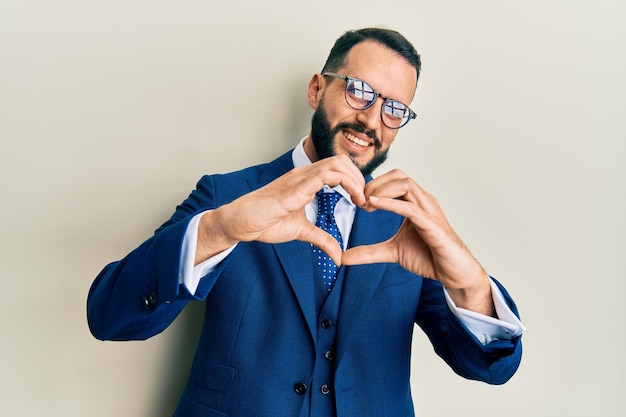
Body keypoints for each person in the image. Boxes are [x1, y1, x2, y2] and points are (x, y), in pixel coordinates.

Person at [87, 27, 525, 417]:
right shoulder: (227, 196)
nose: (372, 119)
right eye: (358, 90)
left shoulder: (406, 224)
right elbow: (110, 317)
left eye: (394, 109)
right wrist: (220, 230)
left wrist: (469, 282)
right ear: (317, 89)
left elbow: (491, 368)